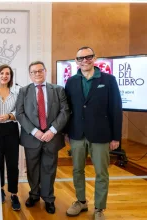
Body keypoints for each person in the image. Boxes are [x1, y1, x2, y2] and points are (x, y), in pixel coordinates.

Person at [65, 46, 122, 220]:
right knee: (77, 170)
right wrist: (67, 132)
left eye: (88, 57)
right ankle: (81, 201)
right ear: (76, 61)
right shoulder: (71, 81)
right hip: (77, 134)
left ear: (94, 58)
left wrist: (116, 137)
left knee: (101, 173)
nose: (84, 61)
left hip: (101, 135)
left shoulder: (108, 80)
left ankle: (99, 208)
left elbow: (115, 108)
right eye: (80, 58)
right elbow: (68, 109)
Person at [16, 61, 69, 214]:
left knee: (49, 168)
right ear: (30, 75)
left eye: (40, 71)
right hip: (32, 137)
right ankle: (34, 195)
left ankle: (48, 198)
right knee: (32, 168)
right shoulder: (24, 91)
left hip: (52, 137)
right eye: (33, 72)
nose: (37, 74)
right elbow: (20, 113)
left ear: (45, 72)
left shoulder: (58, 90)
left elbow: (65, 111)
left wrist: (52, 130)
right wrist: (34, 131)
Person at [0, 64, 21, 211]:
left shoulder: (17, 91)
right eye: (2, 73)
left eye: (7, 74)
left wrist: (9, 116)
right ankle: (0, 189)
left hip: (11, 128)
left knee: (12, 163)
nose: (4, 76)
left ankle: (14, 193)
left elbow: (20, 110)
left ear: (11, 77)